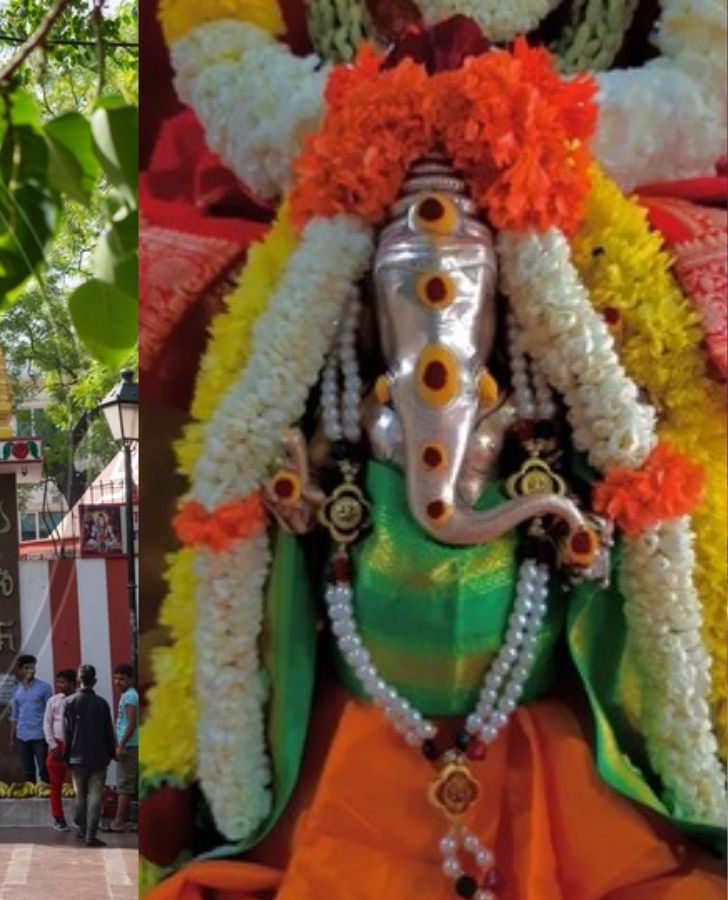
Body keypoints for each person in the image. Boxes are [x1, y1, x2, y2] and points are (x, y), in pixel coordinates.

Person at [140, 2, 728, 896]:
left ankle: (691, 733)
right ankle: (203, 766)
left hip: (579, 180)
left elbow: (702, 85)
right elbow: (226, 63)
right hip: (329, 172)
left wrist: (539, 130)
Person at [64, 664, 117, 848]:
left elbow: (67, 732)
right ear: (94, 681)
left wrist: (66, 756)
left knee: (80, 796)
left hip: (77, 756)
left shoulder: (69, 702)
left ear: (78, 680)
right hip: (99, 757)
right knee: (95, 797)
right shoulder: (102, 704)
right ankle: (91, 835)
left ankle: (82, 829)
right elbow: (108, 732)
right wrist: (112, 753)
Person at [43, 668, 77, 831]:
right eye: (58, 682)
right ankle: (58, 817)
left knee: (80, 784)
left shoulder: (79, 700)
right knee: (56, 784)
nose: (59, 685)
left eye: (62, 682)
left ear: (72, 683)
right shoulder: (54, 701)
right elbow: (47, 724)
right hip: (58, 745)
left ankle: (81, 817)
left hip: (76, 746)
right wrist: (53, 745)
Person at [9, 654, 51, 784]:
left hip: (40, 735)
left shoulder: (44, 687)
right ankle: (31, 794)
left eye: (32, 667)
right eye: (26, 668)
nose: (30, 671)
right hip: (22, 736)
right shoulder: (16, 689)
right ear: (20, 670)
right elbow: (14, 715)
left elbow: (50, 713)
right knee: (28, 771)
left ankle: (46, 793)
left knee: (44, 770)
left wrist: (51, 736)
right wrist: (12, 738)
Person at [109, 663, 138, 832]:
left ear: (130, 679)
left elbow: (132, 723)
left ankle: (118, 821)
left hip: (130, 745)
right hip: (129, 744)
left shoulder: (130, 696)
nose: (118, 682)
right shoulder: (128, 695)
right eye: (115, 678)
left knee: (124, 785)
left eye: (122, 679)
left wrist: (121, 745)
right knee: (127, 783)